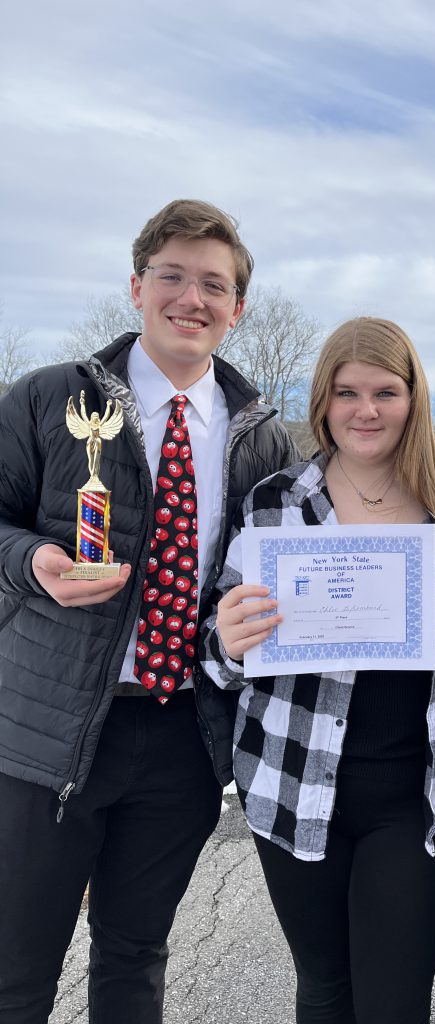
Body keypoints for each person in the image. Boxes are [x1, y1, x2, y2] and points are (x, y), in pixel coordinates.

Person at [0, 199, 298, 1024]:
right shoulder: (49, 399)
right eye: (172, 276)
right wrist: (32, 563)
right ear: (137, 287)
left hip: (182, 737)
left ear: (237, 309)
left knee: (135, 957)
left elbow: (286, 573)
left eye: (214, 284)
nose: (191, 298)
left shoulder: (262, 440)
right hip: (45, 735)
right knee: (16, 969)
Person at [200, 317, 435, 1024]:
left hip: (416, 795)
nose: (366, 410)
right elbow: (214, 649)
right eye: (347, 392)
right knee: (324, 988)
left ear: (415, 399)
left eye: (386, 391)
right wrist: (228, 643)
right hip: (292, 781)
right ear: (322, 400)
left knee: (392, 1002)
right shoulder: (275, 502)